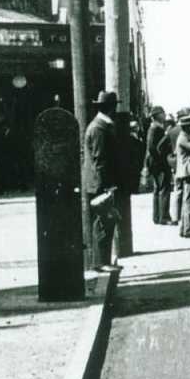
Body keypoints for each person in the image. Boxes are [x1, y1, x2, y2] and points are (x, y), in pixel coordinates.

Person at [82, 91, 122, 270]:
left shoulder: (98, 126)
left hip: (98, 181)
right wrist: (107, 186)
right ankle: (101, 262)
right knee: (103, 220)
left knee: (105, 220)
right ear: (112, 108)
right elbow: (101, 160)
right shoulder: (99, 128)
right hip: (100, 182)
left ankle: (102, 260)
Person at [145, 106, 174, 225]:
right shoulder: (155, 128)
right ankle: (164, 217)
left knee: (158, 189)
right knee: (164, 188)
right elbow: (152, 147)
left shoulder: (155, 127)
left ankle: (157, 216)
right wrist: (160, 160)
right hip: (159, 164)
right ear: (157, 115)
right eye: (163, 113)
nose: (165, 115)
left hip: (156, 163)